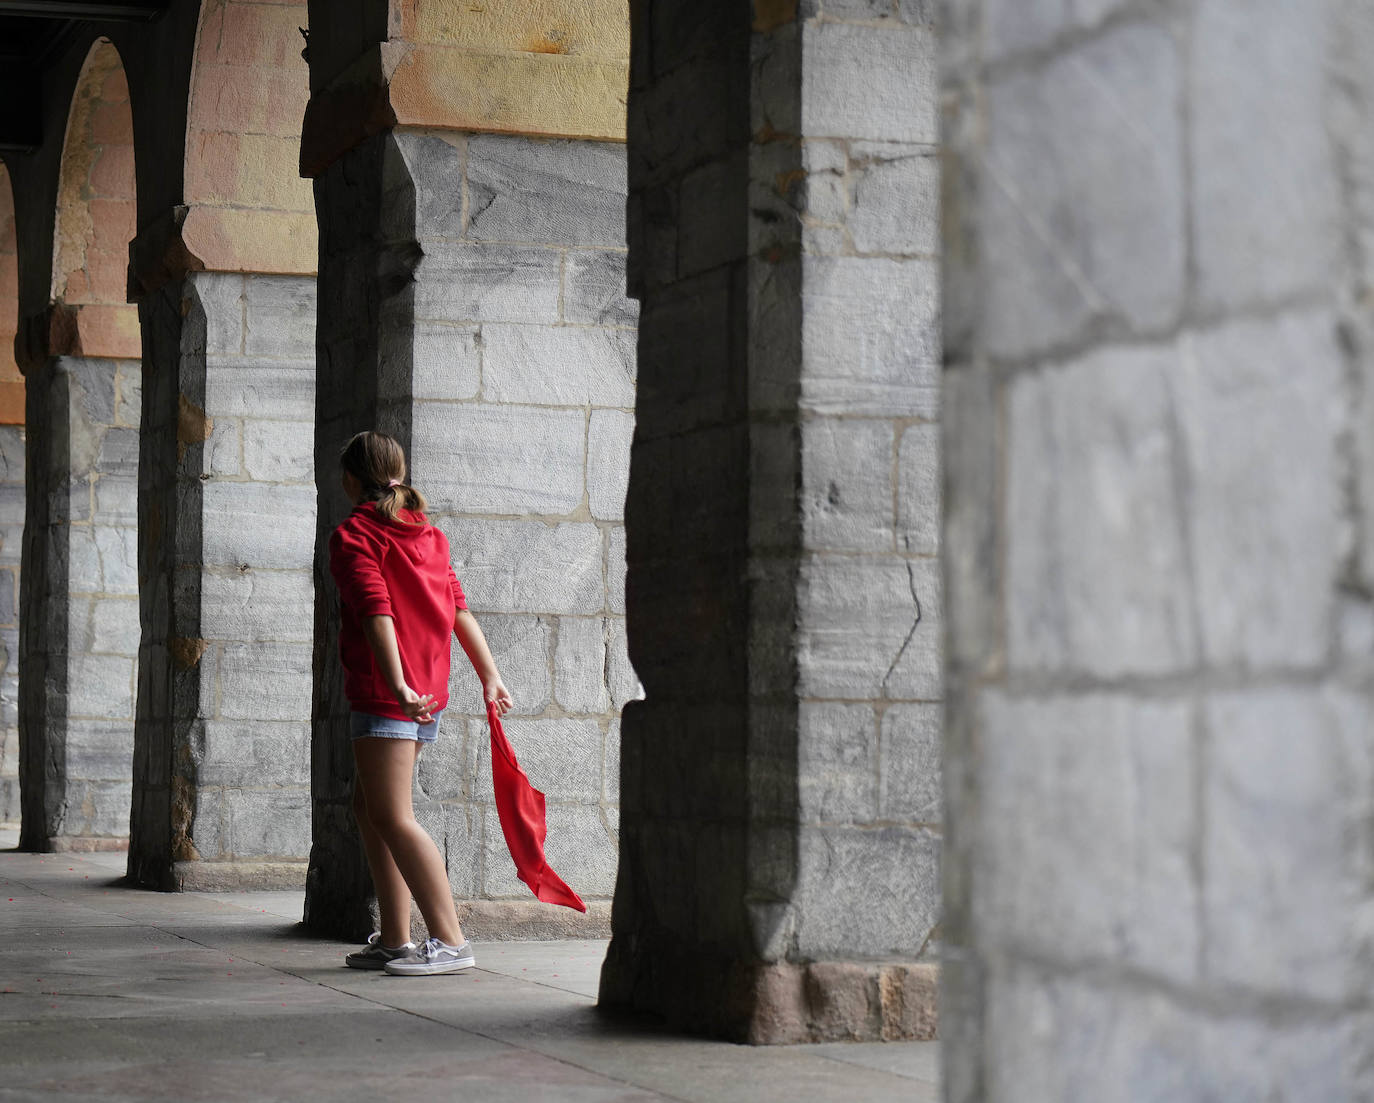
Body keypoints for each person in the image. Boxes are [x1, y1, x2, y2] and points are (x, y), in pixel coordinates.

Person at [329, 430, 513, 977]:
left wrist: (397, 684)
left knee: (392, 814)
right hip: (421, 691)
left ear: (349, 479)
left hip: (392, 693)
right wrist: (490, 675)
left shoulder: (355, 535)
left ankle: (451, 941)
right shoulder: (428, 535)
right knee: (369, 809)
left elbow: (374, 612)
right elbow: (458, 607)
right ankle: (394, 937)